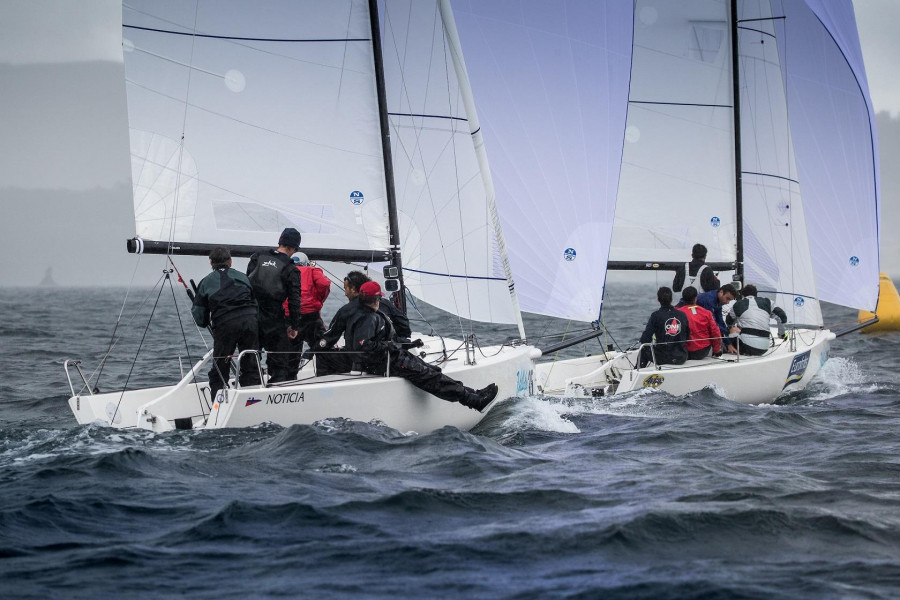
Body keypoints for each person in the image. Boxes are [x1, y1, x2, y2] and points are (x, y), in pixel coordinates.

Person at [342, 281, 498, 411]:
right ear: (373, 299)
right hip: (385, 362)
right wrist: (389, 346)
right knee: (429, 376)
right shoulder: (366, 318)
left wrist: (409, 344)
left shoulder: (368, 314)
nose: (379, 302)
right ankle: (474, 401)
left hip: (392, 357)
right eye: (377, 299)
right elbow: (364, 345)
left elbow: (381, 341)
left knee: (433, 371)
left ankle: (474, 394)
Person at [191, 246, 261, 399]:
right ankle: (253, 400)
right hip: (250, 322)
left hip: (226, 325)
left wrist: (205, 322)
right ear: (230, 261)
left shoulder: (206, 282)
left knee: (220, 369)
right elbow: (255, 303)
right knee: (251, 365)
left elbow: (199, 316)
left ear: (211, 263)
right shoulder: (243, 277)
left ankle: (220, 405)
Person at [246, 227, 303, 383]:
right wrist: (294, 326)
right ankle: (276, 386)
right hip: (273, 318)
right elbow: (294, 300)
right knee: (280, 363)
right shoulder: (291, 268)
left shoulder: (257, 257)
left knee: (250, 358)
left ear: (280, 241)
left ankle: (249, 389)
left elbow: (246, 283)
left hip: (251, 315)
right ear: (294, 248)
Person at [283, 252, 331, 374]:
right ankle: (323, 374)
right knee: (322, 344)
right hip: (310, 316)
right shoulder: (311, 270)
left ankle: (289, 378)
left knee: (290, 352)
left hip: (289, 317)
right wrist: (318, 299)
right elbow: (324, 284)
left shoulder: (284, 271)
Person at [725, 284, 788, 356]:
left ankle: (726, 350)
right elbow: (782, 316)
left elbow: (729, 322)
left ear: (742, 295)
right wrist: (782, 334)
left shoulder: (738, 304)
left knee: (732, 329)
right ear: (756, 294)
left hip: (745, 347)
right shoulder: (768, 302)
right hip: (764, 348)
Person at [638, 286, 689, 368]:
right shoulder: (682, 315)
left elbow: (645, 339)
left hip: (664, 358)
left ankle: (636, 372)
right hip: (681, 357)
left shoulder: (655, 316)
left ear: (658, 300)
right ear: (672, 299)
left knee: (644, 349)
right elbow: (687, 336)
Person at [676, 286, 722, 360]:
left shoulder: (677, 313)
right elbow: (715, 332)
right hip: (703, 351)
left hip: (685, 351)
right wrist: (717, 351)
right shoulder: (707, 313)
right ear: (695, 298)